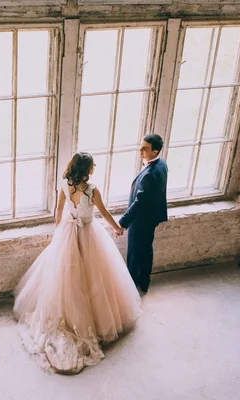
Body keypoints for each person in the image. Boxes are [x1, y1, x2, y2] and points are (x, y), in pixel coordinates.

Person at [13, 152, 141, 374]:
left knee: (67, 277)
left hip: (68, 231)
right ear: (88, 169)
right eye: (92, 165)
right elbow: (104, 212)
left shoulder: (65, 184)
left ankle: (73, 313)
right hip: (88, 233)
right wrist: (117, 228)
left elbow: (59, 210)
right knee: (94, 277)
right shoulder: (92, 190)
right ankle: (93, 320)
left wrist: (59, 231)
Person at [119, 133, 168, 293]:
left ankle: (131, 286)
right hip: (152, 217)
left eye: (145, 148)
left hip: (141, 220)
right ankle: (144, 281)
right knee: (146, 250)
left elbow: (139, 202)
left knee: (134, 252)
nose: (140, 151)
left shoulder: (149, 174)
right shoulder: (162, 164)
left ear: (155, 152)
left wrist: (123, 222)